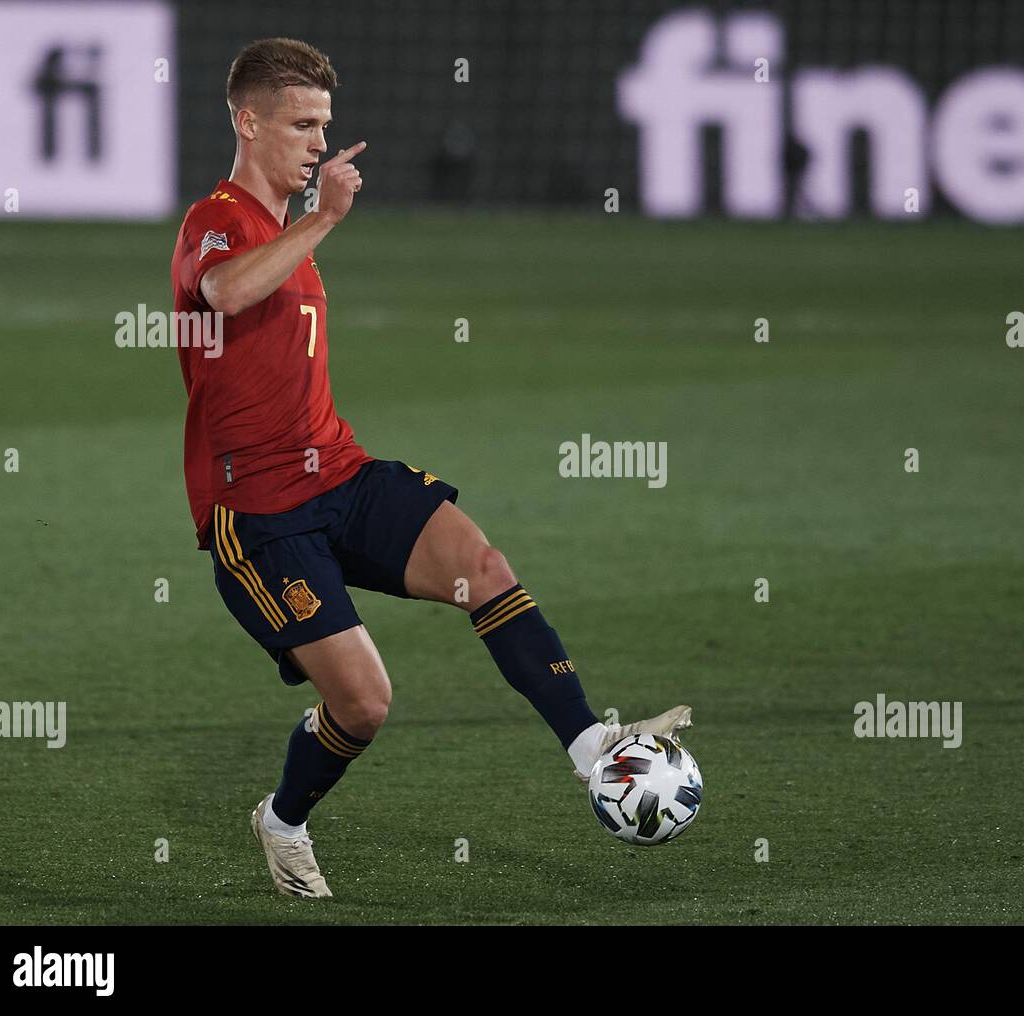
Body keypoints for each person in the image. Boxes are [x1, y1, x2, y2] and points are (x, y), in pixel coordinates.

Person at [169, 37, 692, 898]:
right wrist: (327, 216)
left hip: (337, 471)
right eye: (301, 124)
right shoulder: (216, 217)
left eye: (325, 125)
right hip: (258, 513)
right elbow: (224, 293)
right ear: (246, 119)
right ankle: (284, 820)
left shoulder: (285, 225)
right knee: (364, 704)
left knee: (481, 566)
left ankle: (594, 750)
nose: (317, 142)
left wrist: (312, 221)